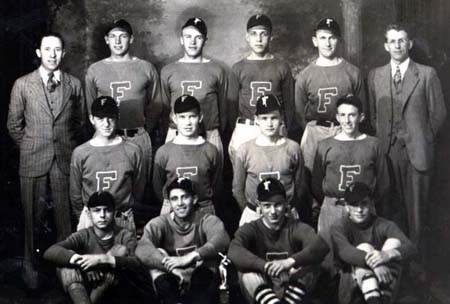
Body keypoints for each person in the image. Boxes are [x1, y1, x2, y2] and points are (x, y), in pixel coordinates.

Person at [7, 31, 84, 289]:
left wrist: (64, 146)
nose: (52, 54)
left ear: (64, 53)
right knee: (32, 220)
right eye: (47, 49)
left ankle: (67, 275)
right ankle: (32, 273)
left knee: (65, 221)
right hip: (33, 161)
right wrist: (30, 147)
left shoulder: (74, 84)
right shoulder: (22, 84)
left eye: (57, 49)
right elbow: (13, 125)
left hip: (64, 160)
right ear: (38, 53)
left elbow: (80, 122)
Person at [367, 23, 446, 249]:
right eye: (393, 41)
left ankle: (417, 268)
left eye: (402, 40)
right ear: (386, 46)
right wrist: (386, 137)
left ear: (409, 44)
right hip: (387, 154)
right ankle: (394, 266)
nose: (397, 45)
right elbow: (373, 115)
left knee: (417, 215)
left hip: (417, 154)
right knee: (390, 211)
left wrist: (423, 137)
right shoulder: (375, 75)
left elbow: (438, 113)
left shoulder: (426, 74)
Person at [311, 95, 389, 275]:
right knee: (329, 262)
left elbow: (384, 182)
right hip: (333, 206)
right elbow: (316, 182)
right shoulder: (325, 145)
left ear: (361, 117)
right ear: (337, 117)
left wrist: (367, 204)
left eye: (352, 115)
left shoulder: (373, 144)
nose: (347, 120)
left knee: (365, 258)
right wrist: (330, 203)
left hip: (362, 208)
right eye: (343, 115)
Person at [85, 19, 160, 197]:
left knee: (139, 192)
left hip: (137, 136)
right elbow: (90, 108)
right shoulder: (95, 70)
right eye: (113, 36)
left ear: (131, 39)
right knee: (110, 191)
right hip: (107, 137)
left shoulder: (146, 68)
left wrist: (143, 129)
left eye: (123, 36)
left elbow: (156, 105)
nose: (118, 41)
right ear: (106, 40)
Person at [228, 178, 329, 304]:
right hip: (263, 290)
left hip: (291, 289)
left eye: (278, 205)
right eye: (267, 206)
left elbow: (320, 245)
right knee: (245, 271)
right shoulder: (252, 228)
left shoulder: (294, 226)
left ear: (286, 204)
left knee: (312, 265)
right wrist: (264, 266)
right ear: (259, 206)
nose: (273, 211)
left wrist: (289, 262)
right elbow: (233, 249)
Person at [135, 178, 230, 304]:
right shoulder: (160, 222)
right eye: (174, 199)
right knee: (157, 255)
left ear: (194, 199)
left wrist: (191, 257)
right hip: (173, 277)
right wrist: (172, 269)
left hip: (199, 278)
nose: (179, 203)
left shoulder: (206, 219)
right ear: (169, 202)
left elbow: (221, 239)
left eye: (184, 197)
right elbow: (142, 248)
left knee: (211, 260)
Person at [44, 191, 150, 303]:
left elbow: (138, 262)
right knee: (66, 264)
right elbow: (50, 251)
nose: (102, 215)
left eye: (107, 210)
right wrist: (82, 262)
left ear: (114, 213)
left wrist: (102, 260)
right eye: (97, 210)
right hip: (86, 291)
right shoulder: (84, 235)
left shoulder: (124, 234)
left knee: (120, 250)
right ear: (89, 214)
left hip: (115, 292)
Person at [295, 17, 366, 173]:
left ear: (339, 40)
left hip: (345, 129)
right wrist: (312, 130)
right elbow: (299, 113)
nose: (327, 43)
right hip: (316, 131)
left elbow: (362, 109)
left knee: (343, 173)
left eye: (332, 38)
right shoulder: (305, 75)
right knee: (311, 175)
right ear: (315, 41)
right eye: (323, 38)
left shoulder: (353, 72)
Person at [160, 17, 228, 171]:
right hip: (176, 133)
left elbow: (223, 109)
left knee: (210, 182)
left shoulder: (217, 70)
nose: (192, 42)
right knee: (175, 183)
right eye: (188, 37)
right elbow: (164, 108)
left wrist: (214, 131)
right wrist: (172, 130)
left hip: (209, 134)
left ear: (205, 40)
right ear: (181, 39)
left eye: (198, 37)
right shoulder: (168, 70)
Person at [331, 182, 416, 304]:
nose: (359, 209)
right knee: (364, 247)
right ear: (346, 206)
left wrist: (387, 255)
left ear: (371, 203)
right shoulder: (339, 226)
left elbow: (410, 247)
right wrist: (375, 264)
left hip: (384, 281)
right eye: (354, 204)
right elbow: (345, 252)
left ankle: (379, 299)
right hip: (351, 284)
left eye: (364, 204)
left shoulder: (383, 224)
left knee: (394, 242)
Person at [70, 96, 144, 233]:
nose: (106, 123)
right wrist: (85, 217)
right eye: (100, 119)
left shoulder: (133, 150)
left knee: (124, 253)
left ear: (118, 117)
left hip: (122, 217)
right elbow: (75, 195)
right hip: (91, 219)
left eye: (111, 117)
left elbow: (138, 189)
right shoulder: (80, 153)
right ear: (92, 119)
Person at [228, 14, 295, 164]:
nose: (258, 39)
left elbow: (289, 105)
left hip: (274, 126)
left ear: (270, 37)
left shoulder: (282, 67)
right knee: (245, 176)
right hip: (247, 127)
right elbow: (231, 106)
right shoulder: (238, 68)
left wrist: (283, 127)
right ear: (247, 37)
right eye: (254, 34)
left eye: (263, 34)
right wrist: (239, 128)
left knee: (276, 172)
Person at [233, 94, 305, 226]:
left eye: (274, 118)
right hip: (255, 214)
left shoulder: (293, 148)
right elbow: (237, 189)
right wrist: (250, 210)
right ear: (256, 120)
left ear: (281, 118)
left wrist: (290, 207)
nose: (269, 123)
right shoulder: (245, 149)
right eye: (264, 118)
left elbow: (300, 186)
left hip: (285, 213)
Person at [153, 95, 220, 215]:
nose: (187, 122)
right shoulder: (164, 152)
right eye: (182, 117)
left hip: (203, 208)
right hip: (173, 209)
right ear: (174, 118)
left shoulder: (211, 150)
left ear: (200, 117)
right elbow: (158, 186)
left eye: (192, 116)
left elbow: (216, 184)